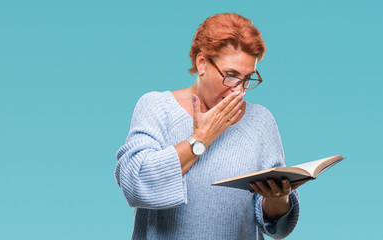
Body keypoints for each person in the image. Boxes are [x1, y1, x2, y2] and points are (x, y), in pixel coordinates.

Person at [115, 13, 304, 240]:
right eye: (231, 75)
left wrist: (277, 198)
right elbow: (135, 183)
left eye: (247, 79)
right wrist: (201, 138)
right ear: (202, 62)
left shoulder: (260, 121)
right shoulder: (157, 107)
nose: (239, 90)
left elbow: (274, 222)